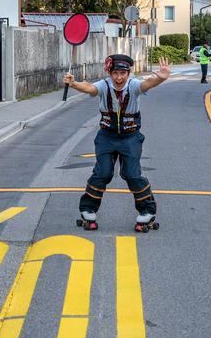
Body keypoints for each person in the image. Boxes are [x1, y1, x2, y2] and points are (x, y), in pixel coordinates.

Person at [63, 54, 170, 232]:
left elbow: (147, 84)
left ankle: (147, 211)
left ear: (129, 73)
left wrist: (161, 79)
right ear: (109, 73)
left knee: (132, 174)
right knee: (102, 173)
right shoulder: (104, 85)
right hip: (106, 137)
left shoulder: (134, 85)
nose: (119, 77)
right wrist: (73, 84)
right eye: (115, 73)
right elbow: (90, 88)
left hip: (130, 137)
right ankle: (88, 209)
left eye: (123, 73)